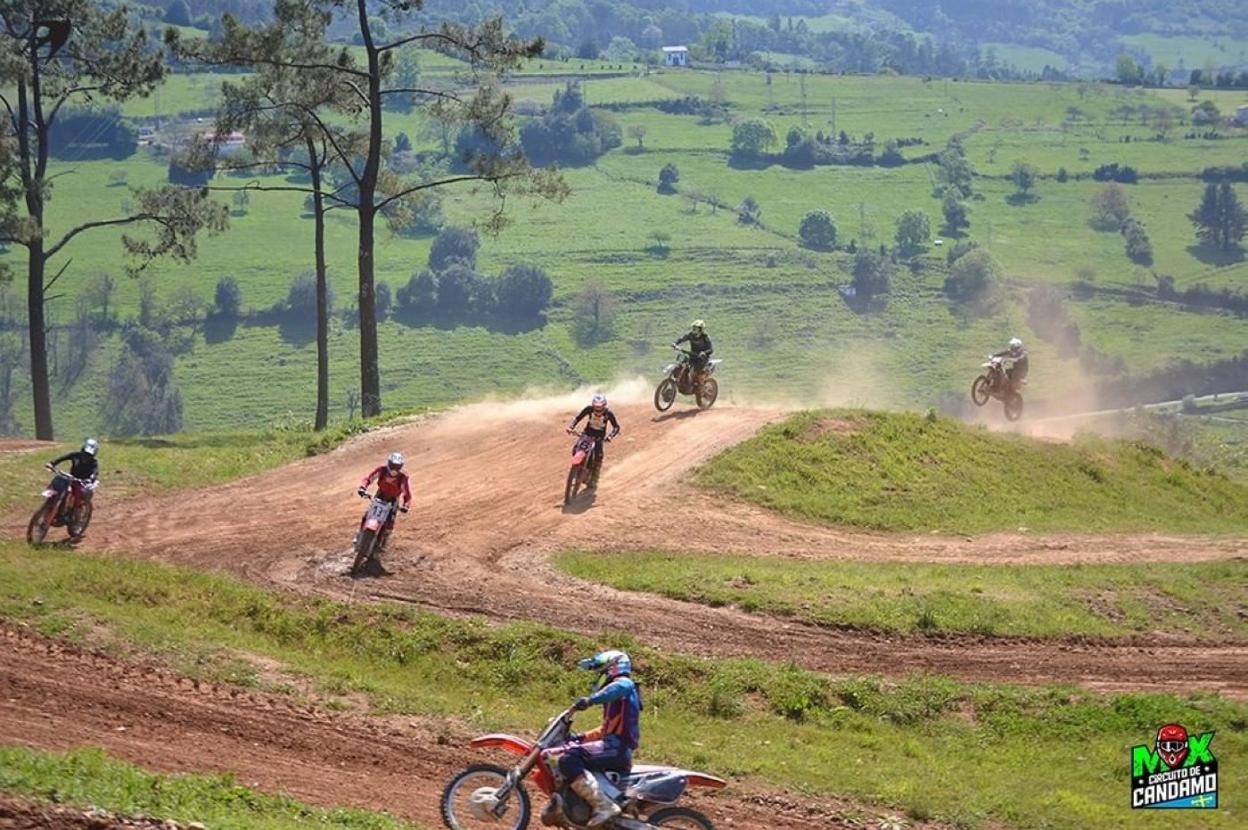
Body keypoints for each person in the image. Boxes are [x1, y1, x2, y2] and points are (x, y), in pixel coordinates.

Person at [546, 650, 642, 827]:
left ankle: (603, 805)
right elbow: (605, 730)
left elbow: (621, 686)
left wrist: (591, 700)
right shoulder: (617, 701)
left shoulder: (624, 685)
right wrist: (579, 738)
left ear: (612, 668)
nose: (599, 677)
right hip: (614, 746)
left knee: (568, 759)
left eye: (601, 672)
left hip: (617, 748)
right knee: (568, 750)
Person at [356, 451, 411, 550]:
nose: (394, 469)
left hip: (393, 499)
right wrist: (363, 488)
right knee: (367, 515)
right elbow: (369, 478)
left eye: (397, 467)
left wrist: (406, 505)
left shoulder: (403, 477)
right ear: (389, 463)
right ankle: (360, 533)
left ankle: (384, 541)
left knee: (390, 522)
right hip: (380, 495)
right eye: (393, 466)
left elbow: (407, 493)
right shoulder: (382, 470)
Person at [567, 394, 620, 489]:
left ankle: (594, 479)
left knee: (598, 456)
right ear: (593, 405)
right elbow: (578, 418)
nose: (597, 410)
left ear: (604, 406)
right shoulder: (589, 409)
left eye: (600, 408)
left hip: (599, 436)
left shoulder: (608, 414)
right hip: (587, 433)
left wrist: (610, 436)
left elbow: (616, 427)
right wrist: (571, 427)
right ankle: (577, 467)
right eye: (596, 407)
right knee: (576, 448)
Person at [44, 438, 100, 521]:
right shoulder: (76, 455)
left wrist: (92, 478)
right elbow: (63, 458)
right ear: (82, 450)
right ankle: (55, 507)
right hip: (71, 478)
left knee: (77, 496)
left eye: (89, 455)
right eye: (85, 453)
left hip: (82, 482)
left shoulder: (94, 462)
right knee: (59, 488)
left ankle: (74, 513)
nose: (86, 456)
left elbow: (95, 472)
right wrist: (52, 463)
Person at [673, 320, 713, 387]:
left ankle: (698, 386)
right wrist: (675, 343)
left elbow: (711, 349)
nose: (693, 329)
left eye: (696, 328)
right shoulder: (691, 335)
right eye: (693, 327)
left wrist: (704, 352)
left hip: (702, 358)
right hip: (692, 355)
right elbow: (682, 338)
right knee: (681, 366)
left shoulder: (705, 337)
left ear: (700, 329)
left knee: (695, 372)